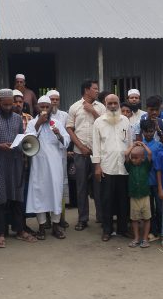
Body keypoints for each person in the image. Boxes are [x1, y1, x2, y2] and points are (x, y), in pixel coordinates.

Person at [0, 89, 34, 247]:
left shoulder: (17, 119)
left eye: (10, 104)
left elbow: (21, 138)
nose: (8, 107)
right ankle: (0, 233)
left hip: (15, 163)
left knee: (17, 196)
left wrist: (21, 144)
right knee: (0, 198)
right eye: (5, 105)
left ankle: (19, 230)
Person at [24, 96, 69, 240]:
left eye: (46, 107)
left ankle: (56, 226)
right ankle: (42, 227)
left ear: (51, 108)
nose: (44, 109)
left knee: (55, 193)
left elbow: (66, 141)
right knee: (39, 194)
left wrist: (58, 134)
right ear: (37, 107)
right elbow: (27, 142)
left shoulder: (56, 123)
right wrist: (38, 123)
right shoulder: (32, 122)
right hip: (38, 165)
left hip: (55, 165)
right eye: (41, 107)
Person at [66, 80, 106, 232]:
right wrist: (81, 147)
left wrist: (93, 111)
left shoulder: (101, 107)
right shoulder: (74, 107)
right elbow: (69, 128)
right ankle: (83, 219)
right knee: (81, 186)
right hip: (80, 152)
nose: (97, 91)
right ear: (87, 90)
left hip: (98, 153)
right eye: (95, 88)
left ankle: (101, 217)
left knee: (99, 186)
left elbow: (105, 125)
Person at [92, 94, 132, 242]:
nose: (113, 106)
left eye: (115, 103)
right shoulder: (99, 122)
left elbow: (130, 142)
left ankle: (123, 229)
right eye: (110, 103)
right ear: (105, 104)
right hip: (106, 167)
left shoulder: (125, 120)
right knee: (107, 200)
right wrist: (97, 166)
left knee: (123, 199)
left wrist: (130, 159)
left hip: (123, 167)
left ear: (119, 104)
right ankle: (107, 230)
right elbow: (96, 145)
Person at [124, 143, 152, 248]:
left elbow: (150, 153)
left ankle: (145, 239)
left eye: (136, 158)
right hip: (134, 196)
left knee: (147, 218)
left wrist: (143, 145)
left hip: (145, 196)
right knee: (134, 219)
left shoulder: (146, 165)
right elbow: (126, 154)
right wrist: (133, 146)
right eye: (132, 158)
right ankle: (136, 238)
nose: (133, 160)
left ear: (142, 158)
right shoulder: (130, 166)